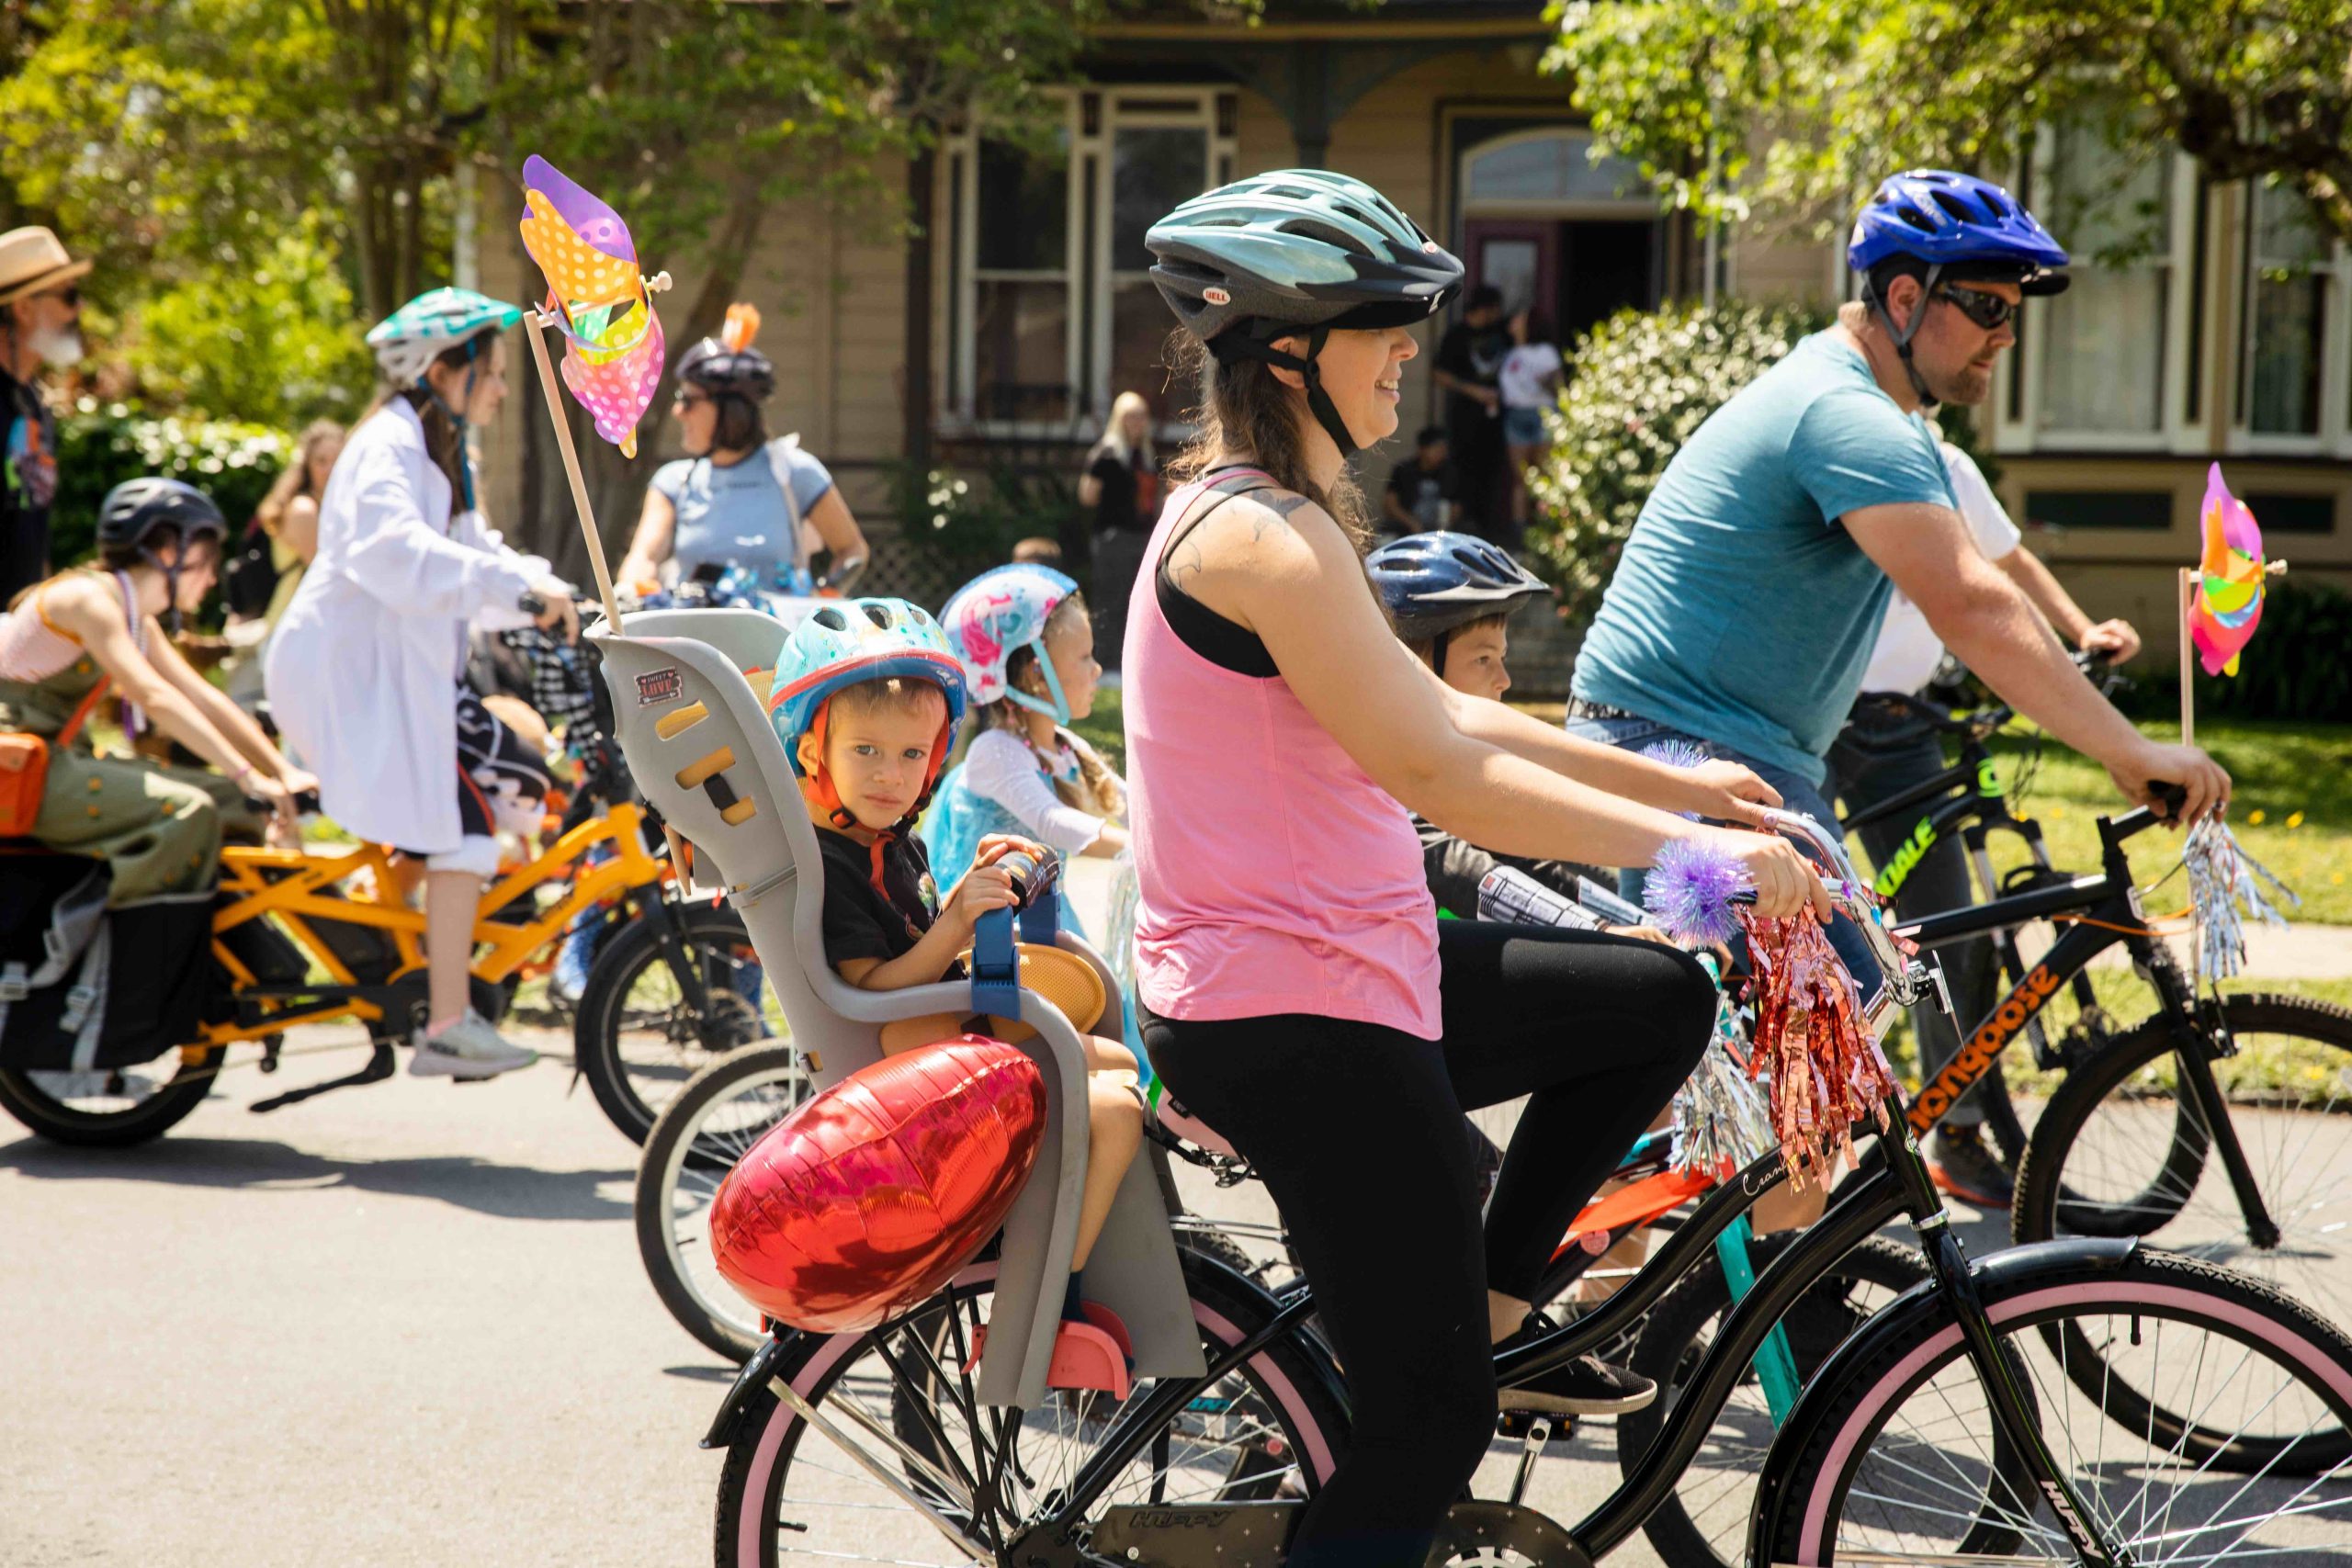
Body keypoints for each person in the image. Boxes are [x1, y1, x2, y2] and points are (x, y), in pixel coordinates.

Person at [1140, 167, 1827, 1568]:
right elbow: (1440, 776)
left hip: (1352, 959)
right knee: (1423, 1430)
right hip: (1292, 1014)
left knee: (1649, 1001)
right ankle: (1453, 1372)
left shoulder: (1283, 519)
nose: (1414, 347)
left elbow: (1450, 713)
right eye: (1385, 320)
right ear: (1287, 347)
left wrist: (1676, 781)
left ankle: (1503, 1314)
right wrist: (1705, 852)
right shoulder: (1263, 540)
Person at [1565, 168, 2227, 1007]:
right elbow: (1971, 607)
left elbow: (1985, 578)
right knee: (1834, 1021)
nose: (2006, 334)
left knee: (1810, 1042)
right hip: (1681, 748)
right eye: (1987, 306)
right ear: (1906, 296)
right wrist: (2131, 753)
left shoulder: (1866, 408)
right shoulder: (1851, 417)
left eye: (2014, 314)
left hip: (1720, 749)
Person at [768, 596, 1143, 1319]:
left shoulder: (893, 840)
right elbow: (870, 984)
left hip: (946, 1046)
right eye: (866, 751)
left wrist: (972, 888)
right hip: (915, 1068)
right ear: (815, 751)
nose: (891, 776)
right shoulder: (831, 863)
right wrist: (956, 924)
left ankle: (1054, 1252)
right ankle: (1042, 1292)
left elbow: (921, 943)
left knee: (1120, 1064)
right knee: (1117, 1108)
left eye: (912, 754)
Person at [266, 287, 578, 1080]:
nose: (505, 390)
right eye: (495, 373)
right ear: (447, 369)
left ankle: (423, 961)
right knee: (467, 824)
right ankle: (446, 1019)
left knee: (496, 792)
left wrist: (559, 590)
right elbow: (397, 556)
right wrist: (523, 595)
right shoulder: (388, 446)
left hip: (395, 679)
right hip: (347, 678)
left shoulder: (438, 445)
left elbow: (480, 552)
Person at [1827, 437, 2143, 1207]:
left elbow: (2006, 562)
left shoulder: (1945, 466)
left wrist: (2078, 629)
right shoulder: (1840, 446)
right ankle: (1796, 1152)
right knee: (1808, 932)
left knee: (1952, 927)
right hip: (1814, 722)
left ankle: (1958, 1132)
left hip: (1907, 724)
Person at [0, 479, 311, 901]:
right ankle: (124, 956)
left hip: (54, 763)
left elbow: (203, 697)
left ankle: (226, 958)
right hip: (20, 772)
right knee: (185, 811)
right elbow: (153, 695)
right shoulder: (86, 599)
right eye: (206, 561)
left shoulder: (132, 616)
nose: (212, 578)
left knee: (233, 803)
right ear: (169, 553)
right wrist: (247, 776)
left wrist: (282, 773)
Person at [615, 303, 868, 593]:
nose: (677, 411)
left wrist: (825, 594)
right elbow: (644, 557)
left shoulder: (795, 472)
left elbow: (853, 549)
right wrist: (630, 586)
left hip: (776, 635)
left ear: (732, 411)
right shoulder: (674, 481)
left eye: (688, 400)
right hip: (696, 634)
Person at [925, 564, 1126, 899]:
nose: (1097, 670)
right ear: (1036, 673)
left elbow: (1129, 802)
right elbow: (1053, 821)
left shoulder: (1065, 747)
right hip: (983, 929)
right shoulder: (994, 750)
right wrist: (1143, 851)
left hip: (1037, 915)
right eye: (1084, 657)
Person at [224, 419, 345, 714]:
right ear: (306, 467)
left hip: (306, 629)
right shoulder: (304, 510)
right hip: (293, 630)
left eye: (337, 460)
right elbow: (331, 576)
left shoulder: (330, 507)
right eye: (321, 461)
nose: (330, 469)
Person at [0, 227, 92, 606]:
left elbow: (30, 516)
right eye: (69, 296)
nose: (80, 309)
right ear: (22, 308)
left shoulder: (32, 400)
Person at [1076, 390, 1159, 672]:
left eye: (1141, 416)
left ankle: (1130, 663)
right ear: (1119, 419)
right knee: (1109, 601)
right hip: (1113, 538)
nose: (1137, 422)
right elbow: (1087, 495)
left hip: (1142, 538)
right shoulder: (1107, 453)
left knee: (1136, 601)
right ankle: (1105, 663)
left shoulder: (1146, 456)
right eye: (1130, 416)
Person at [1430, 283, 1510, 538]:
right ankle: (1465, 531)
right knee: (1464, 475)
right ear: (1486, 309)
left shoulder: (1502, 332)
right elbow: (1439, 374)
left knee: (1493, 475)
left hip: (1497, 421)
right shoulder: (1457, 335)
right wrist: (1473, 391)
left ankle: (1490, 532)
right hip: (1464, 420)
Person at [1498, 310, 1563, 536]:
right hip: (1516, 415)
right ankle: (1520, 529)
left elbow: (1559, 386)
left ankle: (1546, 528)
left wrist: (1547, 382)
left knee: (1544, 474)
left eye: (1519, 318)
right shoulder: (1511, 354)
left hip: (1542, 413)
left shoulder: (1546, 352)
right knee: (1521, 476)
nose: (1513, 322)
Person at [1380, 426, 1459, 536]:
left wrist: (1445, 522)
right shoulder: (1404, 470)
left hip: (1438, 531)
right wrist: (1412, 523)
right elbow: (1390, 505)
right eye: (1436, 448)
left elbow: (1456, 505)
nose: (1441, 453)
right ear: (1422, 448)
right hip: (1404, 528)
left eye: (1443, 449)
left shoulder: (1449, 472)